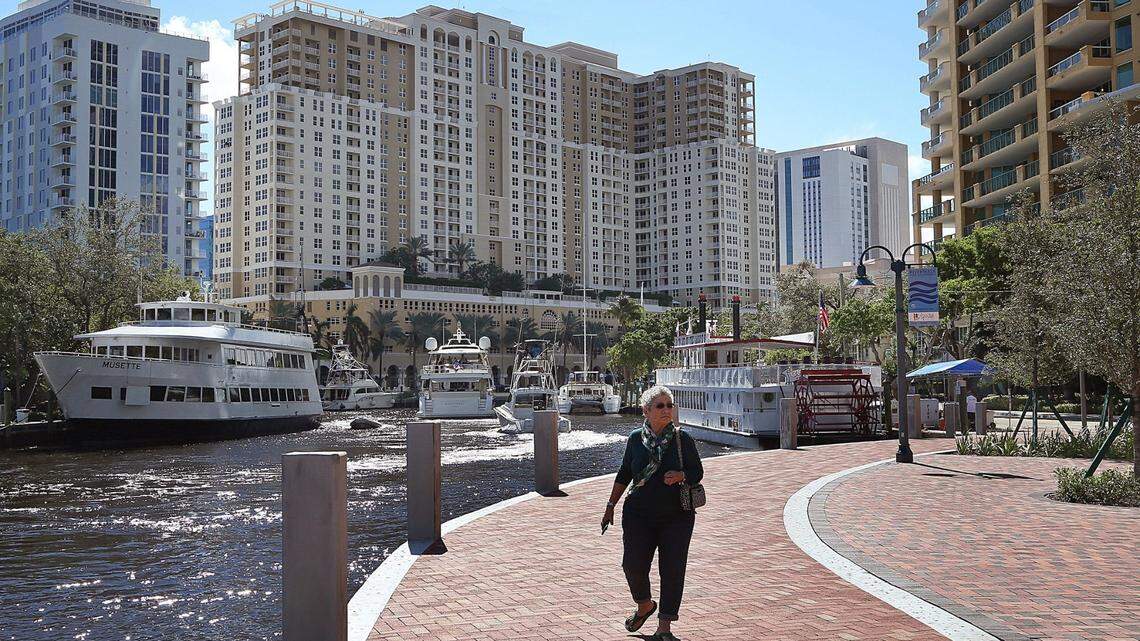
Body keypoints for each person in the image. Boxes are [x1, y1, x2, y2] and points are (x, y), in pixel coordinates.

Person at [601, 385, 703, 641]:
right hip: (638, 515)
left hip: (677, 515)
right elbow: (625, 473)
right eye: (660, 406)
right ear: (646, 411)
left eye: (669, 405)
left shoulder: (682, 439)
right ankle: (644, 605)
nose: (667, 410)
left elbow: (697, 471)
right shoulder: (636, 438)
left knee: (672, 569)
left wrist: (682, 475)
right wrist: (610, 505)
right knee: (632, 565)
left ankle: (665, 626)